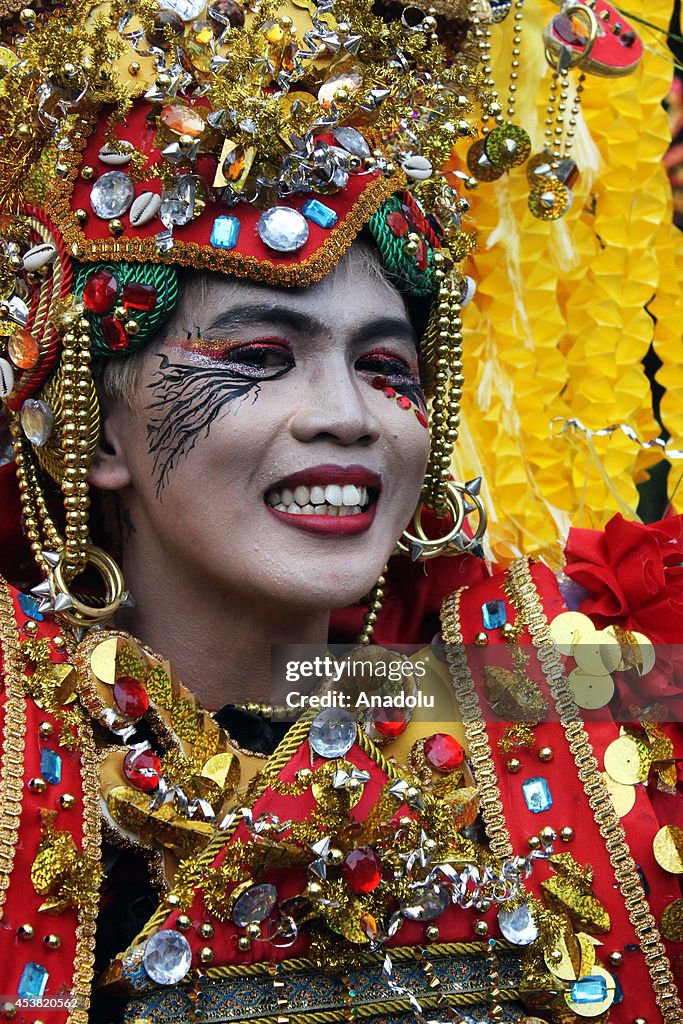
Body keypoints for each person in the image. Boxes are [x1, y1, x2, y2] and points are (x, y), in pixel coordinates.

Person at [0, 3, 681, 1024]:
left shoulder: (544, 698)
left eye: (383, 366)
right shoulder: (20, 737)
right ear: (96, 429)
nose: (348, 417)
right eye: (258, 359)